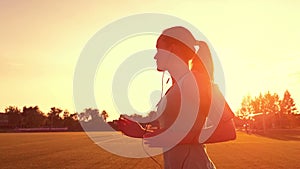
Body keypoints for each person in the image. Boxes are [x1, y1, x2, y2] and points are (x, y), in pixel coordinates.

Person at [118, 26, 216, 169]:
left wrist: (166, 137)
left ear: (173, 49)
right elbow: (173, 131)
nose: (155, 56)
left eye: (159, 50)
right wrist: (142, 132)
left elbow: (226, 130)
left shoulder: (195, 81)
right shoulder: (175, 87)